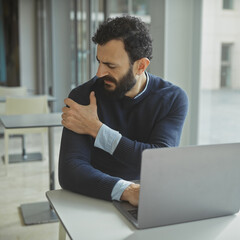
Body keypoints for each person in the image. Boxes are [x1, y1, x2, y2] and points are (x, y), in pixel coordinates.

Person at [59, 16, 188, 207]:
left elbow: (159, 162)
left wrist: (98, 130)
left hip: (148, 194)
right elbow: (70, 170)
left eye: (110, 66)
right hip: (96, 194)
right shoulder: (83, 97)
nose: (99, 73)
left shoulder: (172, 98)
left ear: (141, 66)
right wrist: (126, 191)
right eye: (99, 61)